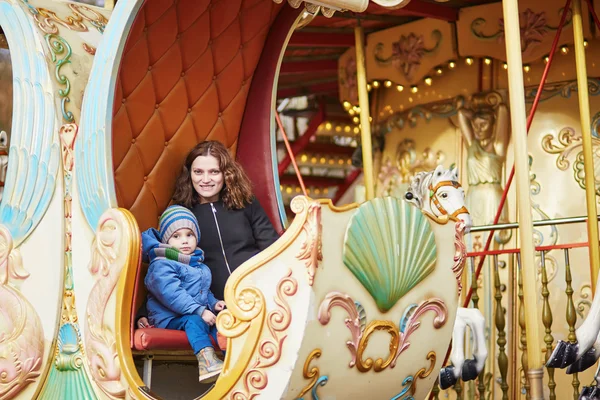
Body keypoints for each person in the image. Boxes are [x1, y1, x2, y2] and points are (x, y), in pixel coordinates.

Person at [136, 140, 280, 328]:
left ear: (226, 174)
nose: (205, 179)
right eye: (198, 172)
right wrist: (144, 312)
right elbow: (164, 265)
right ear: (190, 175)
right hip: (217, 307)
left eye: (214, 172)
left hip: (258, 295)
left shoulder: (246, 203)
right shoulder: (182, 216)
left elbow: (273, 249)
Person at [142, 205, 226, 383]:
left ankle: (233, 361)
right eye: (176, 236)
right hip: (169, 317)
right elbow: (171, 293)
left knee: (222, 324)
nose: (185, 241)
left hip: (191, 311)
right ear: (167, 240)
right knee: (194, 320)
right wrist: (200, 311)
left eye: (190, 235)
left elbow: (202, 290)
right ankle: (207, 362)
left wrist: (213, 303)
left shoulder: (198, 264)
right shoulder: (162, 263)